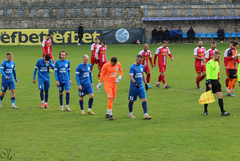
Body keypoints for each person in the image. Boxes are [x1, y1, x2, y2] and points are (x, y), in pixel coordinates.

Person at [204, 52, 231, 116]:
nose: (219, 58)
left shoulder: (216, 62)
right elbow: (208, 74)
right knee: (207, 97)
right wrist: (209, 83)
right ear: (214, 56)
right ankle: (205, 111)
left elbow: (217, 70)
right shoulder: (209, 63)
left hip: (216, 81)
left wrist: (218, 75)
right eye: (218, 57)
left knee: (220, 96)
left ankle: (222, 112)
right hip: (211, 81)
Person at [128, 55, 152, 119]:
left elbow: (143, 75)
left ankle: (145, 114)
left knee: (144, 100)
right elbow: (131, 77)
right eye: (140, 60)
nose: (141, 61)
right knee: (131, 101)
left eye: (142, 60)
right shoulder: (132, 67)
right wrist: (135, 83)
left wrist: (146, 83)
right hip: (134, 87)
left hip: (141, 87)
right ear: (136, 59)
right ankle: (130, 113)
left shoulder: (142, 66)